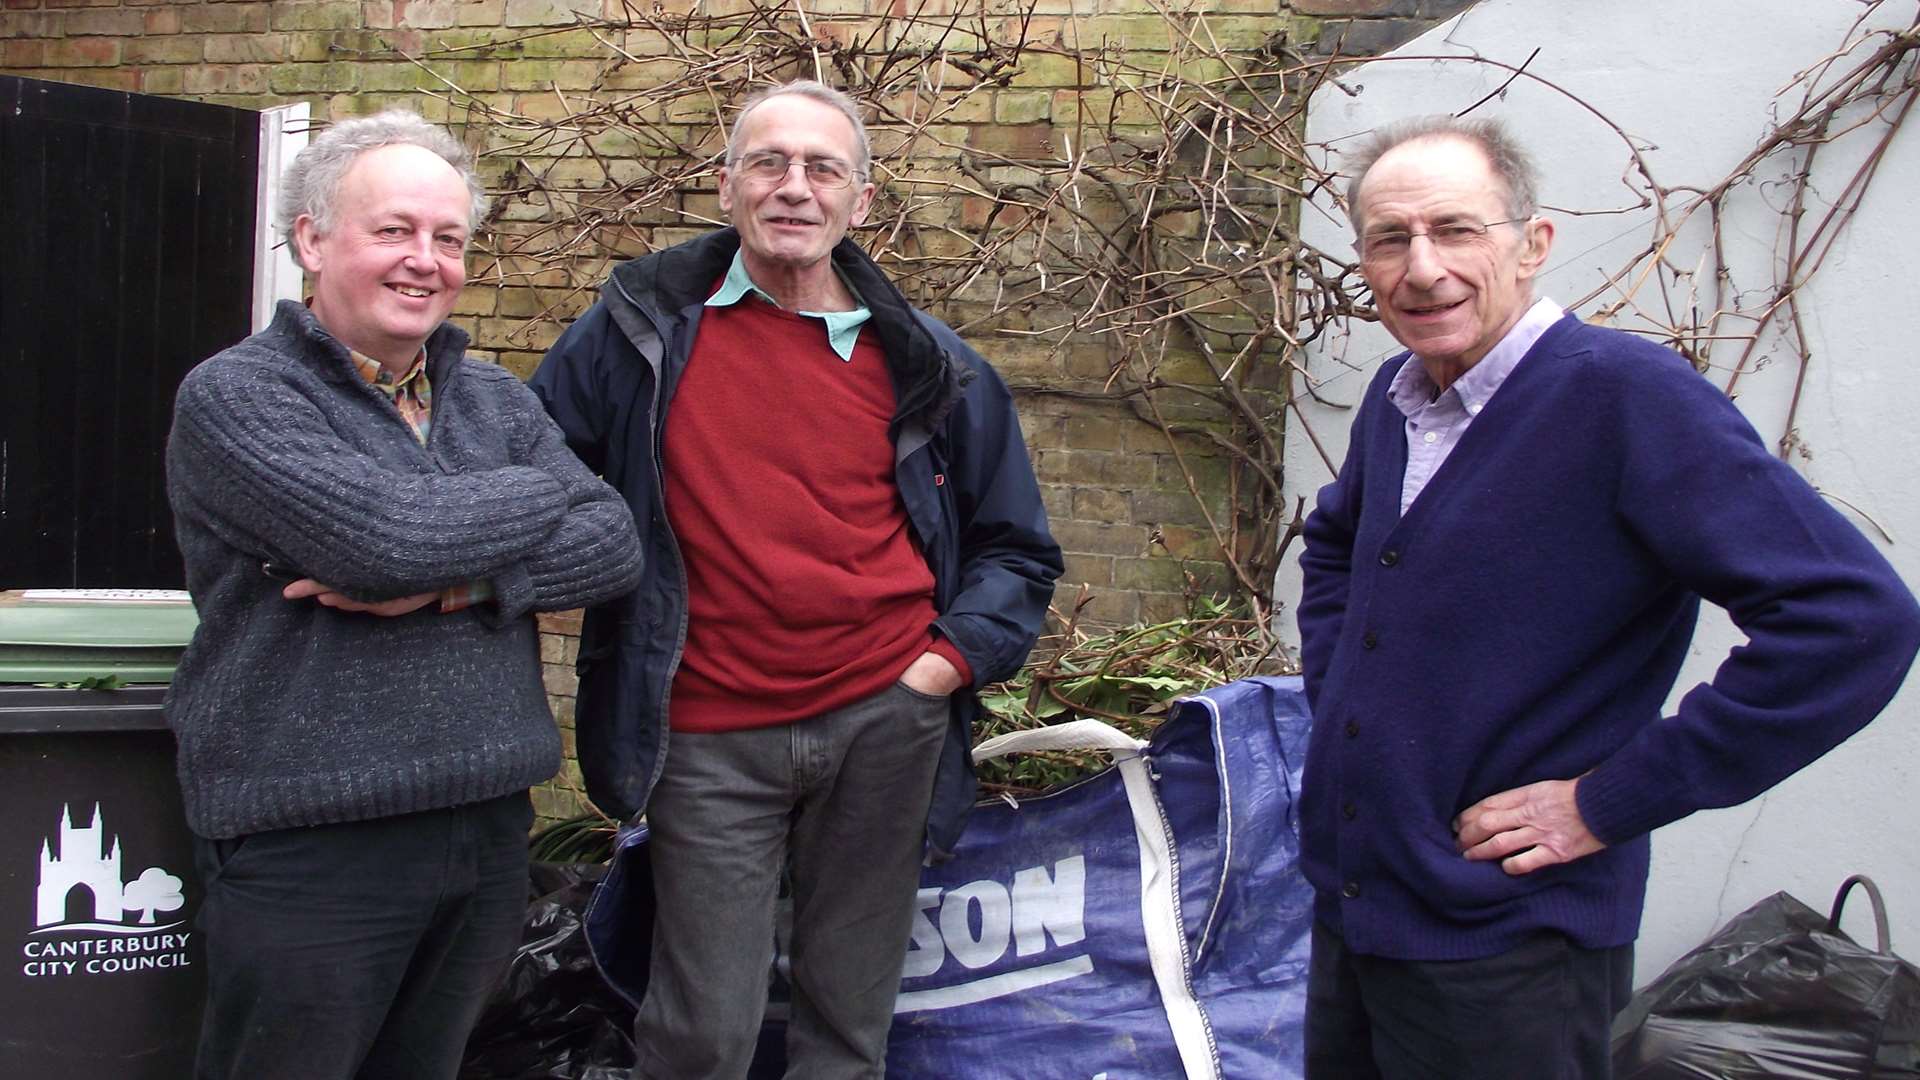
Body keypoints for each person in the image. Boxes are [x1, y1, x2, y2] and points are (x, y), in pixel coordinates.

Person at [1294, 114, 1920, 1079]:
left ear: (1532, 244)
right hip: (1360, 917)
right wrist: (1341, 687)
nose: (1422, 269)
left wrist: (1607, 800)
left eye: (1457, 230)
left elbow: (1853, 622)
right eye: (1390, 238)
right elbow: (1336, 540)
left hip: (1510, 941)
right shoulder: (1399, 395)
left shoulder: (1625, 398)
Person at [532, 80, 1062, 1078]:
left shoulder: (930, 365)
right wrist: (444, 569)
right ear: (728, 187)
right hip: (707, 737)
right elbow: (528, 472)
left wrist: (940, 670)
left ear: (860, 202)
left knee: (848, 1026)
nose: (794, 187)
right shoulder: (636, 333)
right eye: (769, 164)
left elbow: (1017, 549)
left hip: (885, 725)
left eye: (823, 168)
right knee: (701, 1034)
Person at [164, 110, 644, 1079]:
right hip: (312, 838)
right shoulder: (239, 397)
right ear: (312, 237)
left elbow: (613, 543)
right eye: (393, 231)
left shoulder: (494, 399)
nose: (423, 261)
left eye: (447, 238)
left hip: (483, 828)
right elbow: (383, 542)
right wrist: (535, 489)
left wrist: (460, 584)